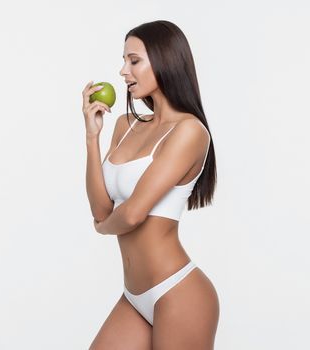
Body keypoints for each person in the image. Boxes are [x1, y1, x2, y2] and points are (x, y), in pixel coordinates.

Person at [83, 20, 220, 350]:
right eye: (124, 61)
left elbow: (132, 214)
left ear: (164, 61)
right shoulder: (125, 126)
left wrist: (102, 229)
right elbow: (102, 207)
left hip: (179, 292)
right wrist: (92, 137)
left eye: (133, 61)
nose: (122, 71)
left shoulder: (190, 132)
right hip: (134, 297)